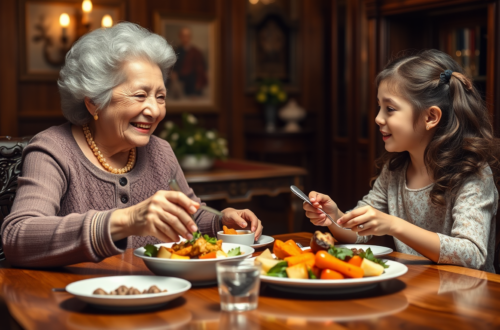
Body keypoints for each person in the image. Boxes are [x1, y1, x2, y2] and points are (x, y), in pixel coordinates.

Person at [1, 22, 262, 268]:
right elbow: (18, 236)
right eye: (140, 95)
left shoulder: (161, 152)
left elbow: (190, 218)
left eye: (160, 97)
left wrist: (221, 220)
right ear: (93, 101)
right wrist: (125, 221)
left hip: (159, 299)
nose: (154, 110)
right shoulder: (54, 149)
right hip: (73, 306)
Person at [304, 49, 499, 272]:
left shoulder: (472, 173)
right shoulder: (395, 170)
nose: (378, 118)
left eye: (390, 109)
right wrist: (334, 217)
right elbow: (357, 234)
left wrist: (394, 225)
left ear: (430, 117)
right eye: (379, 107)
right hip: (417, 292)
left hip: (467, 299)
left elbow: (472, 254)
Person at [170, 27, 208, 97]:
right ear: (180, 37)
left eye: (187, 36)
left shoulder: (196, 52)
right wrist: (173, 73)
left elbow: (202, 69)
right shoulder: (176, 51)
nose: (185, 38)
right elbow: (173, 66)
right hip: (180, 81)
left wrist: (198, 83)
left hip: (193, 82)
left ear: (190, 37)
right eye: (183, 36)